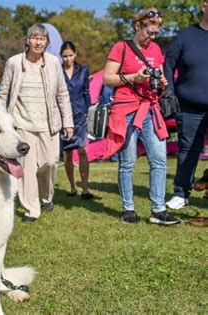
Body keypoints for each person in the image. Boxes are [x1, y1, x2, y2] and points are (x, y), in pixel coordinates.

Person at [102, 8, 180, 225]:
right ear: (138, 26)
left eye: (156, 33)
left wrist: (163, 82)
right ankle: (128, 208)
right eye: (149, 32)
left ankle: (158, 209)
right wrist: (133, 77)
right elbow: (108, 78)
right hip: (126, 110)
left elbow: (161, 73)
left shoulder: (155, 49)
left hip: (151, 109)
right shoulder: (121, 47)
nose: (152, 37)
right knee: (128, 162)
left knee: (159, 159)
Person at [0, 24, 74, 223]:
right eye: (35, 38)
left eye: (42, 39)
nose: (38, 42)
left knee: (50, 162)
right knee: (27, 168)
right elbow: (4, 93)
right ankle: (32, 208)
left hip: (48, 123)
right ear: (28, 40)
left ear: (47, 43)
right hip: (22, 123)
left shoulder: (53, 63)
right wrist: (3, 120)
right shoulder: (14, 63)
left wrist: (68, 122)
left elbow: (62, 94)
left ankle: (46, 196)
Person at [164, 0, 208, 209]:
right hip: (189, 107)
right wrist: (170, 92)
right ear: (204, 5)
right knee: (188, 150)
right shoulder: (185, 35)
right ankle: (181, 192)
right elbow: (168, 64)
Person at [60, 41, 94, 199]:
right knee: (67, 153)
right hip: (63, 116)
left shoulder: (83, 70)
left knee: (82, 150)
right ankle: (73, 187)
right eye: (64, 56)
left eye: (70, 55)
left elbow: (87, 92)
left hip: (80, 114)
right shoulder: (57, 71)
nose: (67, 59)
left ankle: (85, 188)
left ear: (75, 55)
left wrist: (89, 110)